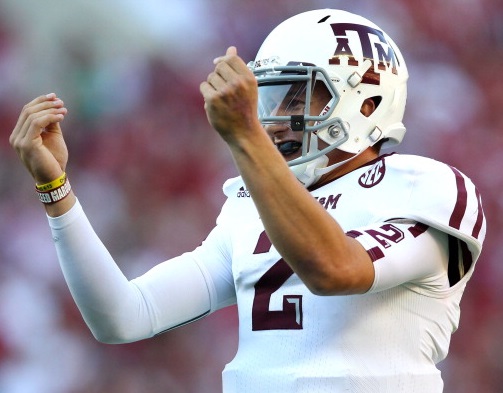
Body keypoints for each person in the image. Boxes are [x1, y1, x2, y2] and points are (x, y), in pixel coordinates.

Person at [9, 8, 486, 393]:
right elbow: (124, 316)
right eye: (271, 102)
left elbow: (335, 269)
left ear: (366, 103)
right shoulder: (248, 206)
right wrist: (57, 191)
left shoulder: (425, 185)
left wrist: (245, 138)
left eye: (297, 101)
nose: (276, 121)